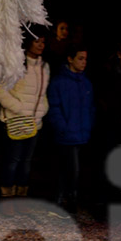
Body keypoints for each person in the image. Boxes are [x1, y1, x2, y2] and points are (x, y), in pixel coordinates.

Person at [0, 33, 50, 201]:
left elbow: (43, 93)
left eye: (43, 42)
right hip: (14, 120)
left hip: (34, 122)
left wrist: (41, 111)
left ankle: (20, 197)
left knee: (26, 162)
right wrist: (17, 107)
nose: (40, 45)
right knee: (12, 160)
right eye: (37, 41)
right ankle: (7, 198)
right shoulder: (15, 64)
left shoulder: (44, 65)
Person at [46, 44, 94, 212]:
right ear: (70, 59)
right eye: (80, 58)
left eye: (85, 59)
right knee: (70, 169)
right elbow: (54, 107)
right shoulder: (59, 82)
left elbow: (89, 108)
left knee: (70, 169)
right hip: (67, 133)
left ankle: (63, 199)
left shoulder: (85, 82)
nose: (84, 62)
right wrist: (62, 127)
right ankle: (66, 198)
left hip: (82, 132)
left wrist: (88, 126)